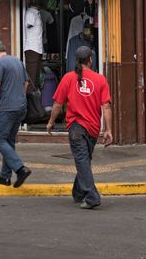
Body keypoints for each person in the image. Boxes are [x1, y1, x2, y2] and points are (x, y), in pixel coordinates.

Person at [47, 46, 112, 209]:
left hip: (76, 127)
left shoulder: (68, 78)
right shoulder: (100, 79)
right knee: (84, 160)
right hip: (93, 128)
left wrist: (51, 121)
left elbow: (57, 104)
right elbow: (106, 107)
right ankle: (79, 193)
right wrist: (108, 130)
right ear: (90, 60)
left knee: (83, 161)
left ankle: (91, 197)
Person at [0, 40, 32, 188]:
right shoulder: (17, 61)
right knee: (9, 141)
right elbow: (26, 82)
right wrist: (20, 97)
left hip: (7, 108)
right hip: (21, 107)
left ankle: (20, 168)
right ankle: (5, 176)